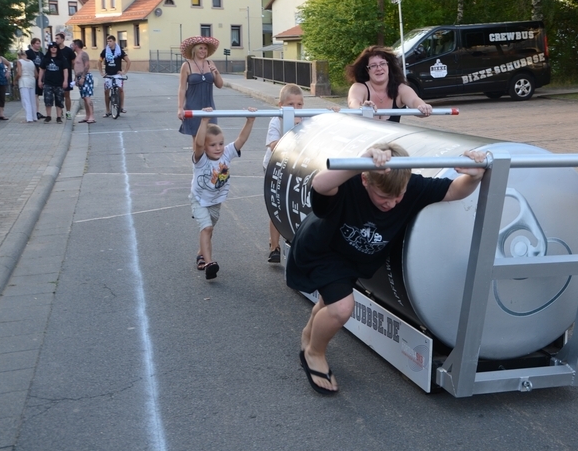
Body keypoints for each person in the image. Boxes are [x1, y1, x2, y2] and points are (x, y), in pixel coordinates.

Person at [287, 143, 488, 394]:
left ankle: (310, 334)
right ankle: (313, 353)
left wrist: (474, 177)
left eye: (398, 196)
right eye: (383, 197)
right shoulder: (350, 183)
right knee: (341, 308)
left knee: (331, 301)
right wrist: (361, 161)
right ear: (365, 180)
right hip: (322, 250)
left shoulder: (411, 186)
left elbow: (453, 191)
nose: (391, 204)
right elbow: (320, 184)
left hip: (352, 260)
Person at [190, 106, 257, 280]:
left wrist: (250, 121)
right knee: (206, 228)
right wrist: (204, 120)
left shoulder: (226, 154)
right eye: (212, 145)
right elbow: (198, 144)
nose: (218, 148)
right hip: (199, 199)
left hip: (215, 201)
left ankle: (201, 255)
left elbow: (241, 140)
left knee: (209, 230)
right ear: (205, 147)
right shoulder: (200, 159)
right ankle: (209, 263)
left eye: (220, 143)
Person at [263, 84, 305, 263]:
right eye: (290, 104)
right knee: (277, 206)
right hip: (275, 167)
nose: (295, 109)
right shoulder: (276, 120)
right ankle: (274, 246)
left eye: (299, 104)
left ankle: (296, 243)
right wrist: (292, 129)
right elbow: (273, 144)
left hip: (295, 168)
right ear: (281, 105)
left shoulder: (306, 118)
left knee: (295, 206)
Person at [346, 46, 433, 121]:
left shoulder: (401, 89)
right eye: (373, 65)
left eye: (382, 64)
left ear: (389, 66)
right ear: (367, 70)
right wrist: (362, 109)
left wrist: (422, 107)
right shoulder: (359, 87)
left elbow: (414, 101)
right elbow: (353, 103)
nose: (379, 68)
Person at [177, 35, 223, 146]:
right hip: (193, 106)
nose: (203, 51)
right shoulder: (186, 65)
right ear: (194, 50)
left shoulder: (210, 63)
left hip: (209, 107)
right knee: (197, 140)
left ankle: (210, 158)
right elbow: (182, 88)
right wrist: (180, 108)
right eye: (200, 48)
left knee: (212, 138)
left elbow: (220, 85)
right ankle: (197, 158)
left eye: (205, 48)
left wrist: (216, 72)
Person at [99, 35, 130, 117]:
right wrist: (101, 72)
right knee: (106, 91)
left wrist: (124, 72)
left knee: (121, 90)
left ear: (114, 41)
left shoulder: (120, 51)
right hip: (108, 74)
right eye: (108, 41)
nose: (109, 43)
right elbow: (99, 61)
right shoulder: (105, 51)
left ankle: (121, 107)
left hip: (117, 74)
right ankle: (107, 110)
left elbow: (128, 61)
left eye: (110, 41)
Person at [38, 42, 68, 123]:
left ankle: (59, 117)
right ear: (49, 49)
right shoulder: (46, 58)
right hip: (48, 83)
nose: (53, 49)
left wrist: (65, 80)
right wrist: (40, 80)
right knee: (48, 100)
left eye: (55, 47)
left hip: (59, 83)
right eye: (51, 47)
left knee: (59, 100)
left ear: (57, 48)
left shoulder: (61, 58)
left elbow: (65, 70)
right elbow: (42, 69)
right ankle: (48, 116)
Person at [72, 39, 95, 123]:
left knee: (87, 97)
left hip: (85, 77)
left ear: (76, 45)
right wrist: (76, 77)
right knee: (84, 98)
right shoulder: (77, 55)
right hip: (79, 77)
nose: (71, 46)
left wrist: (83, 77)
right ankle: (87, 116)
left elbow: (87, 66)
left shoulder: (83, 54)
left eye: (72, 45)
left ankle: (92, 116)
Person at [55, 33, 75, 118]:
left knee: (67, 94)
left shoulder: (68, 50)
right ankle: (60, 112)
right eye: (55, 38)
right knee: (58, 95)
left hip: (67, 75)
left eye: (58, 38)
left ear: (62, 39)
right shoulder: (54, 50)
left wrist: (75, 74)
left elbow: (73, 62)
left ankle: (68, 112)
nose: (56, 40)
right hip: (57, 75)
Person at [15, 50, 37, 123]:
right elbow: (36, 74)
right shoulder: (31, 62)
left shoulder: (19, 61)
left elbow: (19, 73)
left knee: (26, 100)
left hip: (24, 80)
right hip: (32, 80)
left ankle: (28, 118)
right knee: (32, 100)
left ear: (18, 56)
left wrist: (15, 80)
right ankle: (34, 117)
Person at [26, 38, 44, 118]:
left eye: (39, 43)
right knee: (33, 94)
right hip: (31, 76)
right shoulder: (28, 53)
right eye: (37, 43)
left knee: (37, 95)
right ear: (32, 44)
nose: (38, 45)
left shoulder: (41, 54)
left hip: (39, 76)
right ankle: (34, 111)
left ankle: (37, 111)